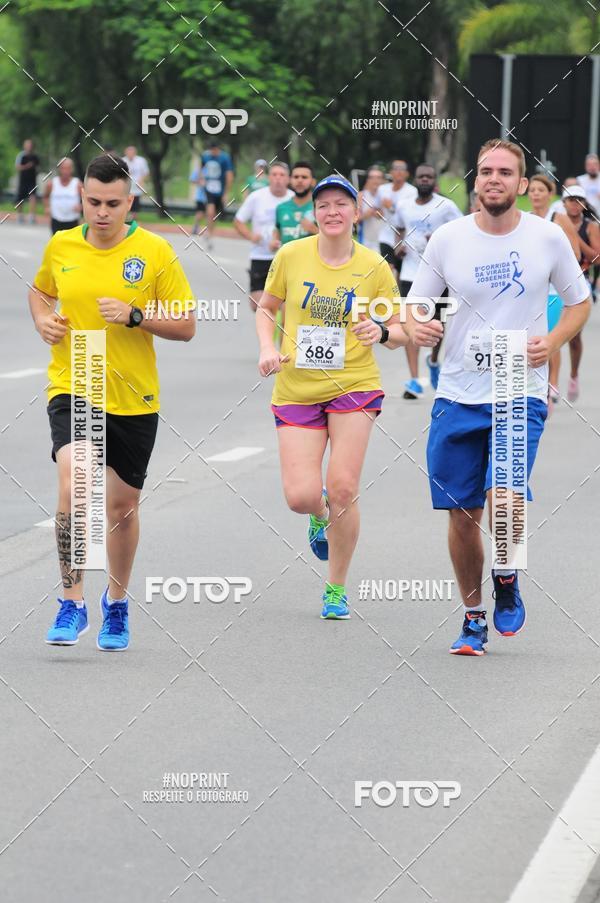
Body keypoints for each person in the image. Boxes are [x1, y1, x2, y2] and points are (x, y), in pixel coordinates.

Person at [405, 139, 590, 656]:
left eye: (504, 173)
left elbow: (579, 303)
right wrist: (417, 326)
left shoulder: (548, 238)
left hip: (518, 390)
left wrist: (552, 342)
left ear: (521, 182)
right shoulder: (448, 238)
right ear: (475, 180)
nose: (493, 179)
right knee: (462, 517)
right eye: (485, 171)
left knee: (503, 499)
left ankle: (505, 573)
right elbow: (417, 304)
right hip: (458, 392)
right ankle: (472, 617)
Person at [29, 154, 196, 651]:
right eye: (93, 202)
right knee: (75, 479)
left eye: (112, 204)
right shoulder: (62, 245)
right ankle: (71, 600)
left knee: (122, 508)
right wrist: (43, 319)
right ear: (81, 197)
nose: (101, 213)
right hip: (74, 380)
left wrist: (135, 316)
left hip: (133, 394)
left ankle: (116, 604)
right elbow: (40, 293)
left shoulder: (155, 251)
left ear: (130, 202)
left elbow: (186, 325)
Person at [255, 175, 407, 620]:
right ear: (314, 214)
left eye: (342, 204)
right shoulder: (290, 255)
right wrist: (268, 347)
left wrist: (380, 331)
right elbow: (267, 308)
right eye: (324, 205)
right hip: (298, 386)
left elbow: (401, 331)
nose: (333, 212)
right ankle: (319, 513)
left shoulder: (374, 266)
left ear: (357, 213)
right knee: (301, 496)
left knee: (344, 486)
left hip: (354, 384)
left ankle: (336, 587)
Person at [393, 163, 462, 399]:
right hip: (410, 273)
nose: (425, 180)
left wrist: (440, 238)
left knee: (437, 326)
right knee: (409, 323)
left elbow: (461, 229)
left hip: (438, 275)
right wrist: (399, 245)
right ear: (416, 179)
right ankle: (413, 379)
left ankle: (433, 360)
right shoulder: (404, 206)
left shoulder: (446, 206)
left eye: (429, 177)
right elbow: (398, 227)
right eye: (421, 176)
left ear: (435, 182)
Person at [527, 175, 580, 413]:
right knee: (532, 338)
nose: (536, 194)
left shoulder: (559, 219)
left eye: (541, 190)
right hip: (529, 289)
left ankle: (552, 386)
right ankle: (535, 385)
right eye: (533, 190)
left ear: (550, 195)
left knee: (549, 336)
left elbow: (576, 253)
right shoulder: (524, 220)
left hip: (553, 290)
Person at [234, 161, 292, 310]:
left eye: (282, 175)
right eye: (274, 174)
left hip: (285, 258)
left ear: (288, 179)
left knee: (284, 307)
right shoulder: (256, 197)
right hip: (260, 256)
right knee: (257, 306)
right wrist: (251, 236)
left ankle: (278, 331)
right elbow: (239, 221)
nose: (278, 178)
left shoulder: (293, 199)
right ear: (268, 177)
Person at [561, 184, 600, 401]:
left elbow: (597, 257)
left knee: (574, 337)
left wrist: (577, 242)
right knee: (548, 330)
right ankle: (549, 384)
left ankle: (574, 374)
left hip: (580, 281)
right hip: (555, 284)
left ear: (584, 204)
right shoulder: (555, 223)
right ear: (564, 202)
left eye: (578, 200)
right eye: (570, 199)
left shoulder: (591, 226)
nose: (574, 204)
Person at [375, 160, 417, 278]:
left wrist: (392, 208)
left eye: (402, 169)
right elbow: (377, 210)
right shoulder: (382, 189)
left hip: (403, 237)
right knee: (388, 268)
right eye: (396, 168)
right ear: (391, 172)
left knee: (400, 272)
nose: (398, 172)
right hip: (386, 236)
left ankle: (397, 295)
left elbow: (410, 215)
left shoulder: (412, 192)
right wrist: (378, 213)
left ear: (407, 174)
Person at [201, 142, 234, 250]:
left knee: (214, 215)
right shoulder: (205, 156)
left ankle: (210, 231)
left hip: (220, 190)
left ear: (218, 150)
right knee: (210, 212)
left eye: (215, 150)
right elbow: (201, 168)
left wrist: (226, 192)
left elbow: (229, 175)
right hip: (209, 188)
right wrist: (201, 179)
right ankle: (209, 234)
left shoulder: (225, 158)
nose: (213, 153)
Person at [43, 158, 82, 234]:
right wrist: (47, 207)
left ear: (72, 169)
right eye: (63, 168)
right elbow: (45, 196)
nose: (65, 171)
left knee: (71, 245)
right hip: (56, 219)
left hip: (72, 220)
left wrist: (81, 206)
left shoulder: (77, 184)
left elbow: (87, 199)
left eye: (68, 168)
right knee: (57, 244)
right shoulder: (52, 183)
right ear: (59, 169)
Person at [357, 166, 385, 251]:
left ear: (383, 180)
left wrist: (382, 214)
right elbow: (355, 219)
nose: (375, 180)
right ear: (367, 180)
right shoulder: (361, 196)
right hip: (366, 241)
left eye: (378, 177)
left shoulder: (388, 196)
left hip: (385, 241)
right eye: (371, 177)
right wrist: (367, 214)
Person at [15, 138, 40, 224]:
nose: (29, 146)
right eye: (27, 145)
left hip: (32, 181)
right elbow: (17, 167)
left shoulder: (35, 156)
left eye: (30, 145)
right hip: (23, 181)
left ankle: (31, 216)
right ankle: (20, 216)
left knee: (33, 197)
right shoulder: (21, 156)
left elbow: (38, 166)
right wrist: (27, 166)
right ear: (24, 146)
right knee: (20, 199)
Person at [122, 145, 150, 214]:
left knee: (135, 203)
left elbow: (146, 172)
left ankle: (133, 218)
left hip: (137, 186)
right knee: (125, 202)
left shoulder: (141, 160)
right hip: (126, 186)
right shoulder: (122, 160)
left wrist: (141, 181)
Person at [189, 160, 208, 237]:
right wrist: (199, 182)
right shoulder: (198, 170)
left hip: (209, 196)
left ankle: (207, 230)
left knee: (209, 213)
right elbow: (192, 180)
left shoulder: (211, 170)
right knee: (200, 212)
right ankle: (195, 227)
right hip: (201, 196)